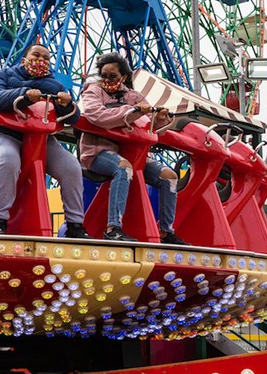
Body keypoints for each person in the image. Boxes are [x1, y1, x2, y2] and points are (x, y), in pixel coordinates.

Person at [78, 52, 187, 244]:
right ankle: (113, 228)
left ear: (123, 77)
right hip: (98, 151)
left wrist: (160, 118)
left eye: (112, 76)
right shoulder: (93, 91)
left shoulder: (134, 96)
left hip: (134, 153)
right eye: (104, 75)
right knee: (123, 167)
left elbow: (150, 125)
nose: (107, 80)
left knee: (169, 176)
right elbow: (97, 116)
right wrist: (132, 112)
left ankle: (166, 232)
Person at [0, 44, 87, 237]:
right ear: (24, 60)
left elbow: (74, 117)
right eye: (36, 55)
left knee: (71, 166)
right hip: (5, 135)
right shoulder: (3, 76)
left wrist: (66, 104)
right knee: (8, 159)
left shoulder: (54, 86)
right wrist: (23, 94)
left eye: (46, 58)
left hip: (41, 140)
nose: (41, 61)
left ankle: (75, 224)